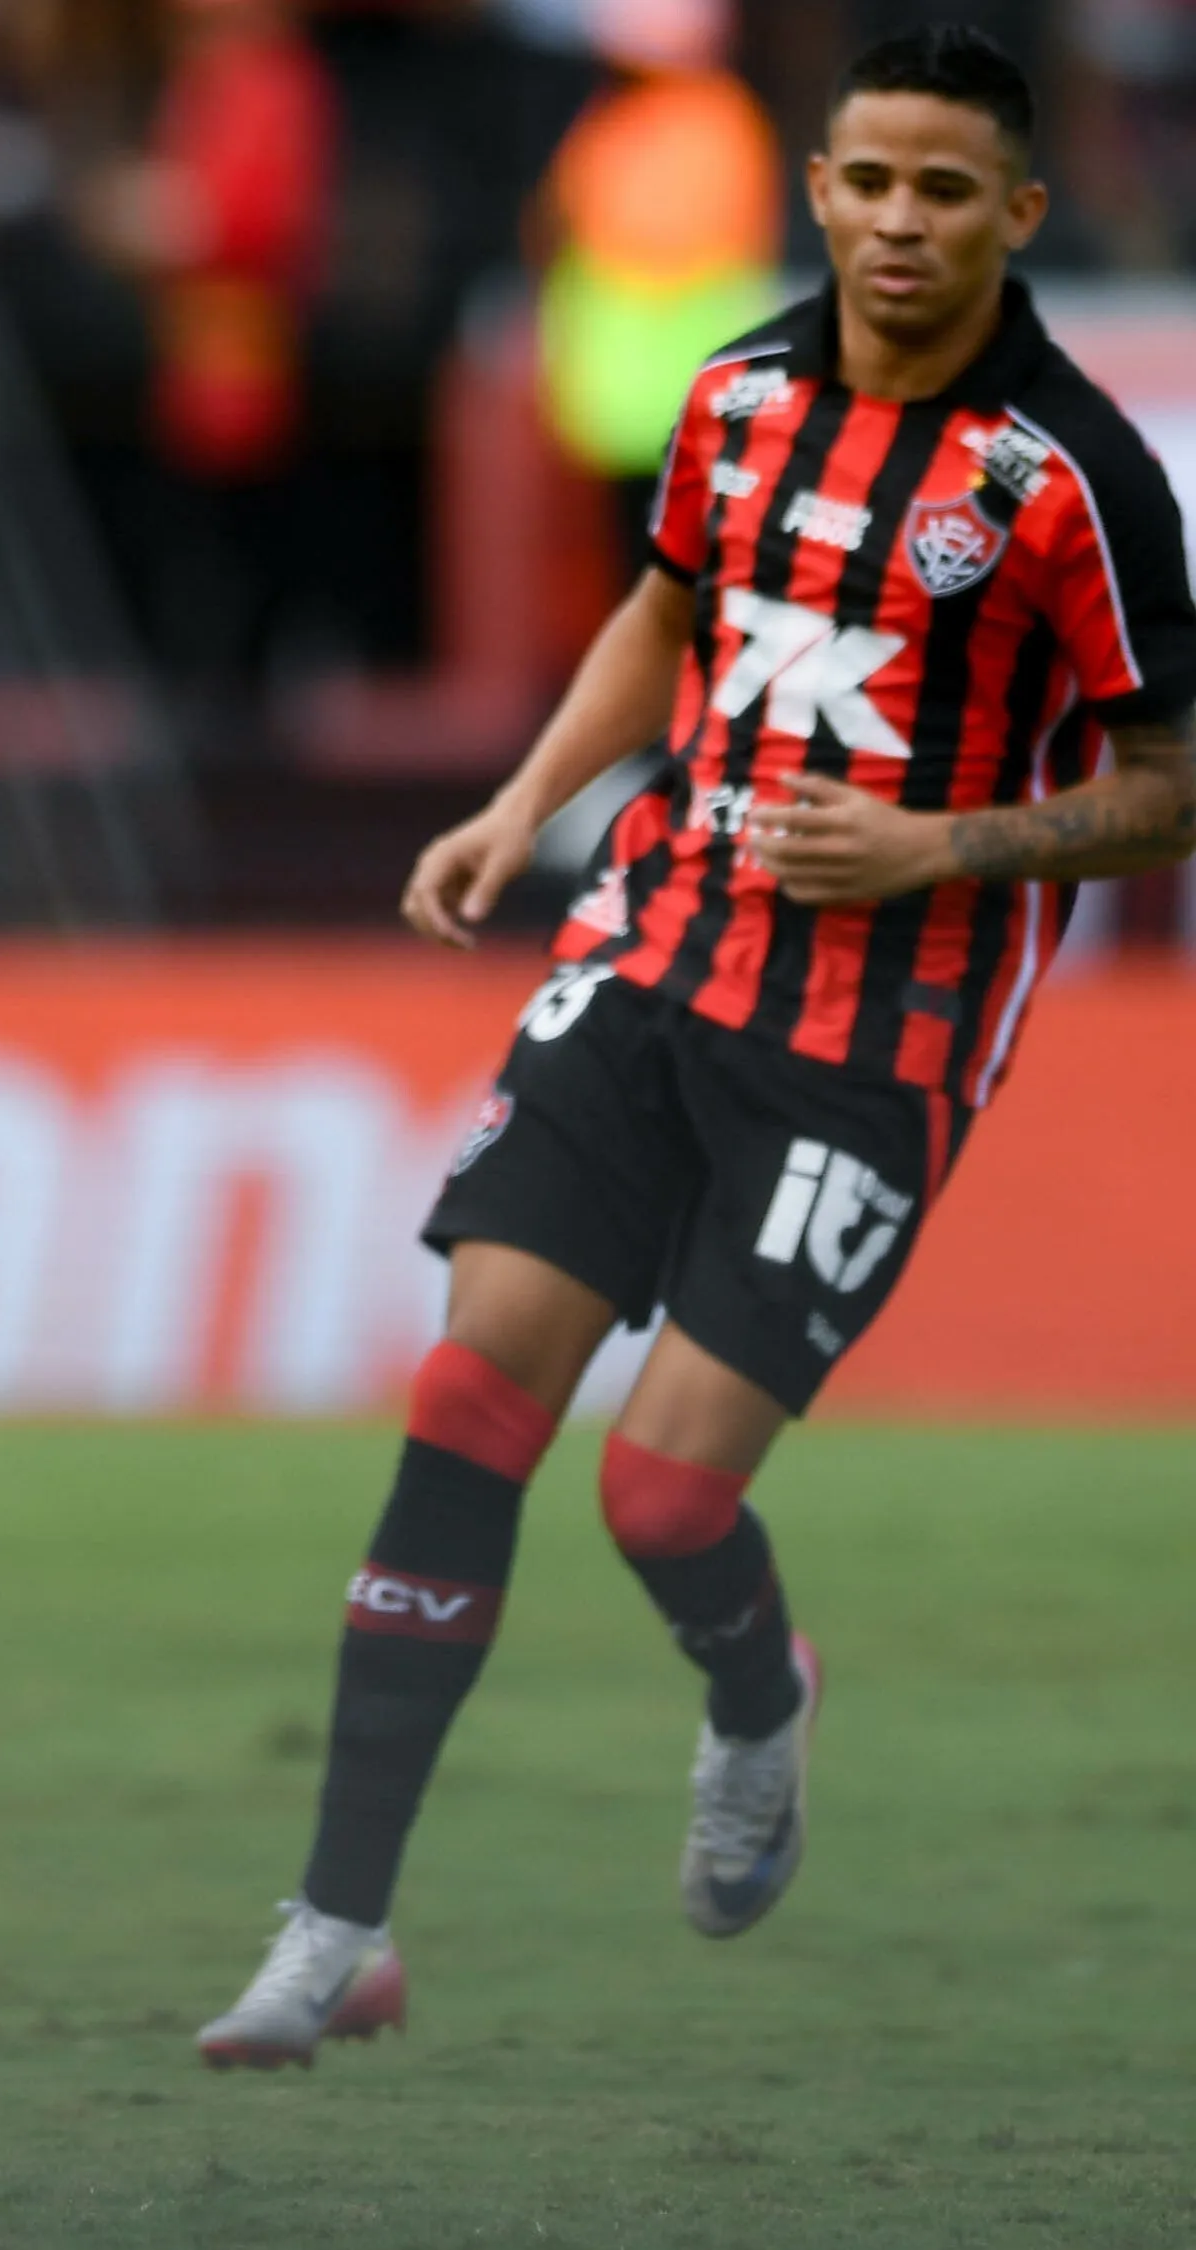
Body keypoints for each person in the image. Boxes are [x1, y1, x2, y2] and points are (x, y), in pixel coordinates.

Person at [196, 24, 1196, 2069]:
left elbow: (1170, 784)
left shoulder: (1075, 476)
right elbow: (665, 615)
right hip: (650, 948)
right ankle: (334, 1928)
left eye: (944, 191)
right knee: (470, 1394)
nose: (897, 223)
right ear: (813, 189)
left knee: (654, 1499)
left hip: (875, 1040)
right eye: (866, 182)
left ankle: (756, 1699)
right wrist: (519, 802)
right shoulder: (734, 396)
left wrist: (935, 845)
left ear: (1017, 213)